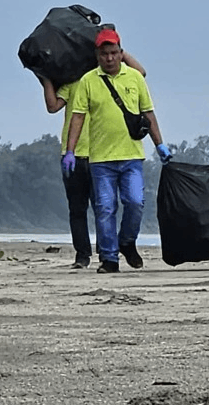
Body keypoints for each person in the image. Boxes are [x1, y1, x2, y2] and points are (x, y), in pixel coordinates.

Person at [63, 29, 171, 274]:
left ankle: (127, 241)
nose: (109, 58)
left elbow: (148, 113)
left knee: (135, 202)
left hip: (132, 156)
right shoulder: (88, 81)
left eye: (114, 53)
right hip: (101, 159)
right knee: (105, 208)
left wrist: (159, 144)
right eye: (104, 54)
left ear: (121, 53)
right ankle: (109, 259)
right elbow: (77, 117)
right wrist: (70, 151)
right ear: (97, 55)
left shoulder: (135, 78)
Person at [39, 50, 146, 269]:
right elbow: (53, 106)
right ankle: (83, 255)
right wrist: (45, 77)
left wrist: (120, 51)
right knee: (78, 208)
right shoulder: (75, 83)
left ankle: (107, 252)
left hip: (101, 154)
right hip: (75, 154)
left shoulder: (114, 78)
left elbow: (140, 73)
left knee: (104, 207)